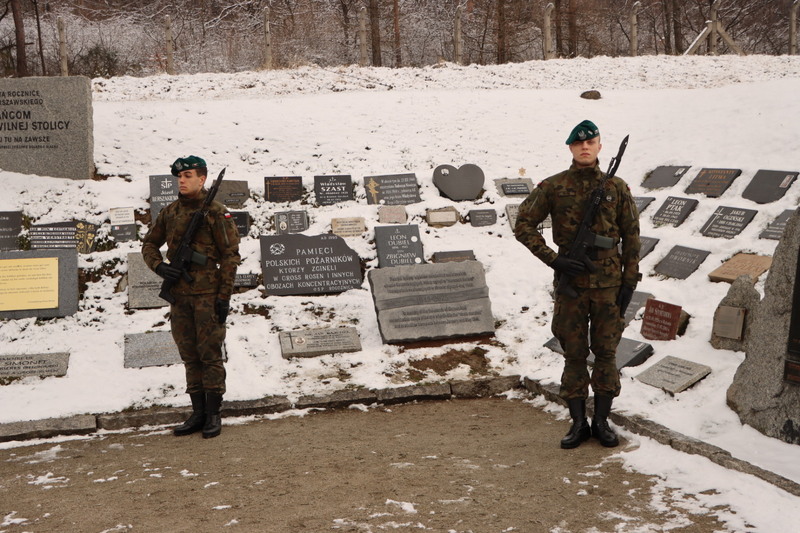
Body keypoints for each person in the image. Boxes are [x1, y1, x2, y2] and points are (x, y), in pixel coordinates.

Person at [514, 120, 640, 449]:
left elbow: (632, 236)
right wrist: (554, 260)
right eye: (579, 143)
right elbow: (523, 224)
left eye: (591, 142)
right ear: (570, 147)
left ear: (599, 146)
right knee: (573, 353)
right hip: (571, 283)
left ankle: (602, 421)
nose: (585, 147)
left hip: (609, 285)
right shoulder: (554, 186)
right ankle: (578, 423)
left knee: (606, 353)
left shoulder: (617, 187)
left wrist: (629, 281)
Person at [142, 155, 240, 439]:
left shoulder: (216, 213)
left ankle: (213, 413)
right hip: (180, 297)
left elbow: (230, 256)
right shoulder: (170, 212)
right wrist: (160, 267)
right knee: (189, 356)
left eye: (188, 176)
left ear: (202, 179)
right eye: (179, 177)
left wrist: (224, 296)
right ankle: (197, 413)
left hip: (208, 296)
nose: (182, 181)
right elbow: (149, 243)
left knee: (210, 356)